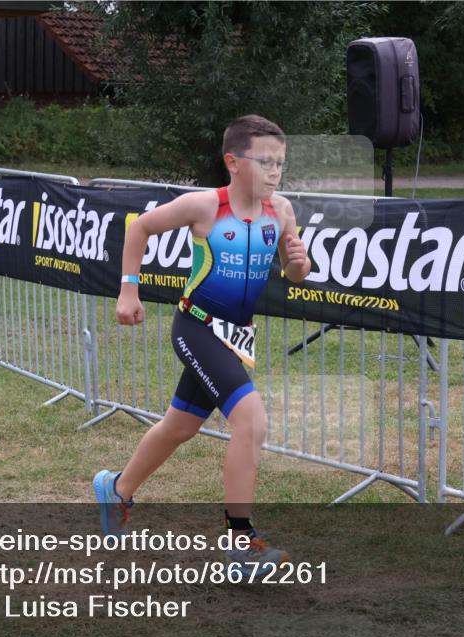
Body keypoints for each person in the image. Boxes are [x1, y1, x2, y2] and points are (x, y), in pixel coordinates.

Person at [94, 115, 311, 574]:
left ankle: (115, 489)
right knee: (250, 419)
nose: (275, 172)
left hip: (235, 337)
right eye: (266, 162)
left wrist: (299, 263)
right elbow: (140, 229)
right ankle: (240, 543)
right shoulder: (205, 206)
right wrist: (128, 290)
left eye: (281, 164)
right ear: (233, 162)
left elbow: (295, 273)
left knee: (181, 426)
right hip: (196, 327)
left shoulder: (283, 211)